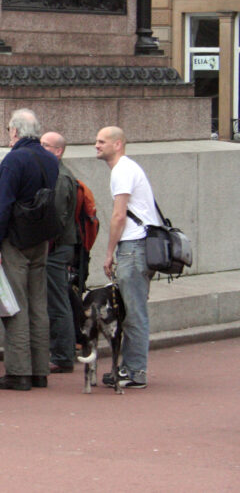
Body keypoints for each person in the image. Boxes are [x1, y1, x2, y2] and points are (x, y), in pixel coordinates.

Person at [0, 109, 59, 391]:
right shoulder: (50, 159)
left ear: (15, 131)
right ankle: (40, 369)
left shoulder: (14, 160)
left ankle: (18, 372)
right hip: (40, 239)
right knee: (38, 304)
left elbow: (1, 205)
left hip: (15, 239)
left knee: (14, 305)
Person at [96, 126, 158, 390]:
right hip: (140, 246)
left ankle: (135, 371)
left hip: (133, 246)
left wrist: (109, 252)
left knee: (133, 312)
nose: (96, 145)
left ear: (118, 144)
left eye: (101, 141)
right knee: (133, 310)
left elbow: (119, 216)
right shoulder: (128, 168)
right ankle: (130, 368)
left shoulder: (121, 171)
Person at [39, 131, 79, 374]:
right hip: (57, 247)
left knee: (57, 302)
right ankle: (62, 351)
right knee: (57, 299)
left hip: (57, 248)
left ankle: (63, 355)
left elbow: (58, 219)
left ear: (58, 151)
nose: (41, 149)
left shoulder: (61, 178)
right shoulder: (56, 175)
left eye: (45, 145)